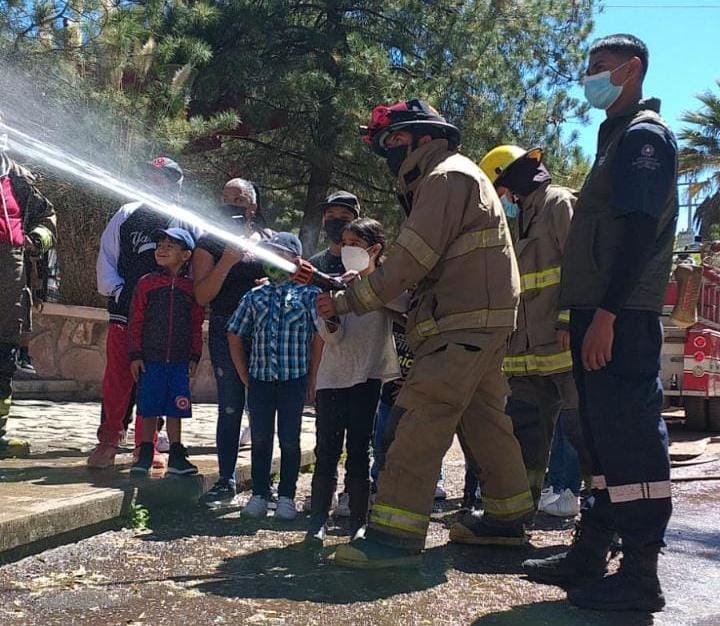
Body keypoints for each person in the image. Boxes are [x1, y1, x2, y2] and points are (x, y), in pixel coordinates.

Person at [303, 99, 534, 568]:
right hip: (479, 318)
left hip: (463, 321)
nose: (389, 150)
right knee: (485, 420)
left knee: (420, 417)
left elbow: (412, 258)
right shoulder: (453, 176)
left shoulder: (446, 176)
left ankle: (393, 534)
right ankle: (506, 520)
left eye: (395, 139)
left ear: (425, 138)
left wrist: (350, 300)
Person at [522, 34, 678, 613]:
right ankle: (590, 553)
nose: (590, 76)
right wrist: (579, 315)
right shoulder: (614, 137)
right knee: (599, 439)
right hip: (599, 313)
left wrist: (608, 315)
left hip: (624, 317)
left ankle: (641, 574)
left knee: (632, 442)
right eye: (588, 67)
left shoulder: (643, 138)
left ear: (633, 69)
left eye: (601, 67)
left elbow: (639, 233)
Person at [479, 145, 587, 516]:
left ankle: (601, 516)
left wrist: (570, 318)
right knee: (523, 435)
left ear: (510, 184)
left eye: (501, 193)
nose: (502, 202)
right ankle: (515, 514)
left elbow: (582, 263)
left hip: (561, 345)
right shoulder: (522, 217)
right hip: (526, 356)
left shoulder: (559, 204)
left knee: (581, 430)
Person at [89, 156, 190, 469]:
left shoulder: (183, 220)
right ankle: (108, 439)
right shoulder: (127, 214)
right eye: (150, 178)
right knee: (117, 379)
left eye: (162, 179)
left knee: (153, 381)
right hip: (124, 315)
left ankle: (146, 445)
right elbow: (107, 258)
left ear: (176, 185)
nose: (154, 184)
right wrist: (118, 291)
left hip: (163, 322)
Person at [305, 218, 400, 544]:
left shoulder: (387, 287)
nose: (347, 251)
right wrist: (330, 316)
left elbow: (402, 307)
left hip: (368, 377)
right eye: (344, 243)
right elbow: (332, 337)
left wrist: (360, 285)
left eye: (355, 245)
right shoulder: (333, 284)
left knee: (360, 450)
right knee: (327, 450)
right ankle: (318, 520)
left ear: (375, 249)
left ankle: (359, 522)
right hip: (333, 379)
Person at [227, 232, 323, 521]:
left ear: (296, 260)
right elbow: (235, 332)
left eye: (281, 254)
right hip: (261, 379)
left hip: (294, 379)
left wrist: (313, 378)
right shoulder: (255, 295)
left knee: (290, 439)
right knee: (260, 438)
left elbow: (319, 337)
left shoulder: (309, 295)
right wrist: (244, 374)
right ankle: (259, 493)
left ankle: (286, 496)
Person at [193, 178, 271, 505]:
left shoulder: (270, 240)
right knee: (230, 405)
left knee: (264, 407)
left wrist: (272, 283)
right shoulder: (209, 242)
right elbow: (201, 295)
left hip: (267, 331)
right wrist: (226, 261)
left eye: (238, 201)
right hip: (226, 328)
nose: (231, 206)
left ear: (252, 206)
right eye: (225, 200)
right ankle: (226, 480)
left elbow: (289, 278)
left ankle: (263, 487)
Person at [128, 228, 204, 475]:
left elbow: (195, 324)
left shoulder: (190, 288)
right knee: (149, 407)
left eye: (170, 246)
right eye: (160, 244)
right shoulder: (147, 283)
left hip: (180, 361)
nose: (161, 249)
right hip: (151, 359)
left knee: (176, 408)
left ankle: (177, 455)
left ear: (185, 255)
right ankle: (145, 452)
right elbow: (136, 320)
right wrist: (135, 355)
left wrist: (194, 355)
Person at [0, 147, 56, 458]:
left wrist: (36, 239)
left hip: (10, 282)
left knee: (3, 357)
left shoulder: (19, 179)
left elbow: (48, 217)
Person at [308, 191, 360, 275]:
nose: (336, 222)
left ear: (357, 222)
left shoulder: (366, 262)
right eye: (331, 216)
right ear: (323, 221)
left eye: (344, 217)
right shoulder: (314, 265)